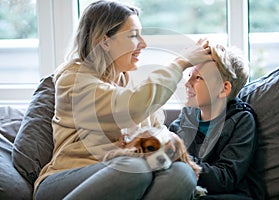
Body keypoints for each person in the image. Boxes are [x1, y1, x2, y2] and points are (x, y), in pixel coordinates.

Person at [33, 0, 212, 200]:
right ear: (105, 41)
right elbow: (130, 107)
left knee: (181, 174)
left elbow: (155, 129)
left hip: (124, 174)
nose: (143, 44)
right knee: (134, 167)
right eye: (134, 35)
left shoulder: (131, 80)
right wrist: (180, 63)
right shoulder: (73, 80)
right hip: (65, 179)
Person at [169, 44, 264, 199]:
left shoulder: (241, 121)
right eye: (189, 76)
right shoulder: (185, 119)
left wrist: (182, 158)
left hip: (232, 194)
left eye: (198, 78)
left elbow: (225, 179)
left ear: (223, 89)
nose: (187, 84)